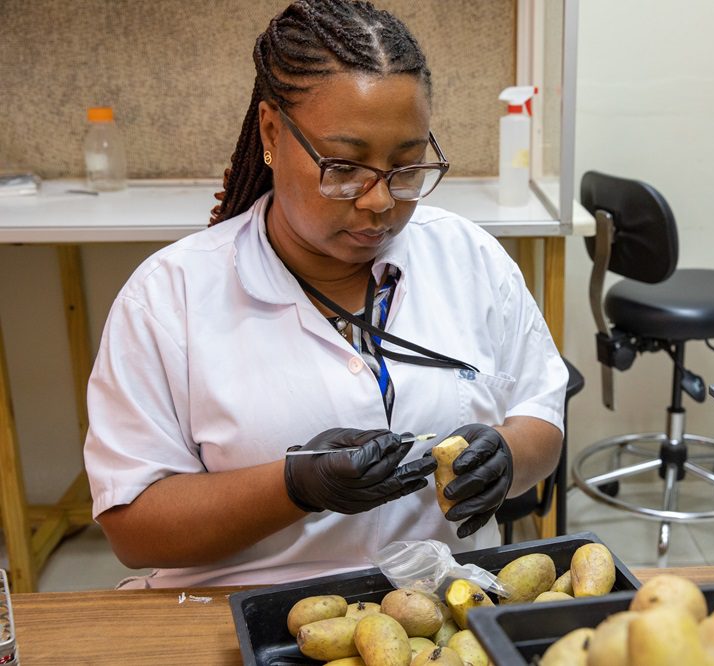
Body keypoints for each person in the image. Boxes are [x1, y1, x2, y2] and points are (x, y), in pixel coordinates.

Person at [83, 0, 567, 588]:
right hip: (241, 613)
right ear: (271, 131)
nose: (380, 202)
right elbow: (134, 529)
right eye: (344, 167)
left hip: (440, 610)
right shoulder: (169, 298)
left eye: (407, 166)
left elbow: (540, 415)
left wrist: (510, 456)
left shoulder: (470, 258)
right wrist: (293, 486)